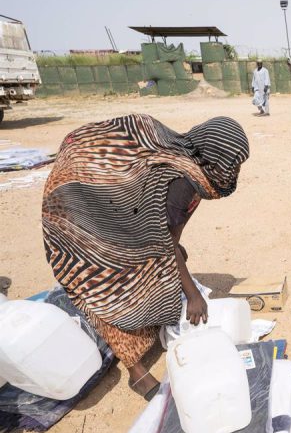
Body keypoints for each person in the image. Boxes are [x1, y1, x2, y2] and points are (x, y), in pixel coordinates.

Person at [41, 114, 250, 399]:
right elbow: (166, 244)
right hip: (77, 209)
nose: (235, 170)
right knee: (107, 286)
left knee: (159, 266)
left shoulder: (195, 171)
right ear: (216, 156)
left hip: (111, 204)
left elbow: (165, 235)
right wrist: (192, 294)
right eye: (233, 162)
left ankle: (146, 326)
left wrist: (173, 252)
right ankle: (136, 373)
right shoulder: (182, 182)